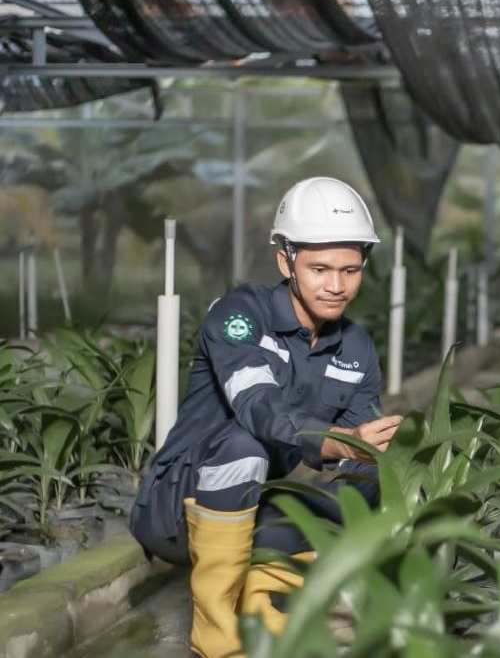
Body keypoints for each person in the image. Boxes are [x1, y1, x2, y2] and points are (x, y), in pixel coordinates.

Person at [130, 177, 403, 658]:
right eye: (320, 268)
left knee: (375, 475)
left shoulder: (356, 346)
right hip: (178, 505)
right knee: (245, 446)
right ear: (286, 261)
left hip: (256, 507)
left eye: (351, 270)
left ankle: (261, 607)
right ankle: (215, 631)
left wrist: (376, 452)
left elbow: (361, 452)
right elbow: (258, 408)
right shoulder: (239, 315)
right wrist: (337, 440)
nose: (337, 285)